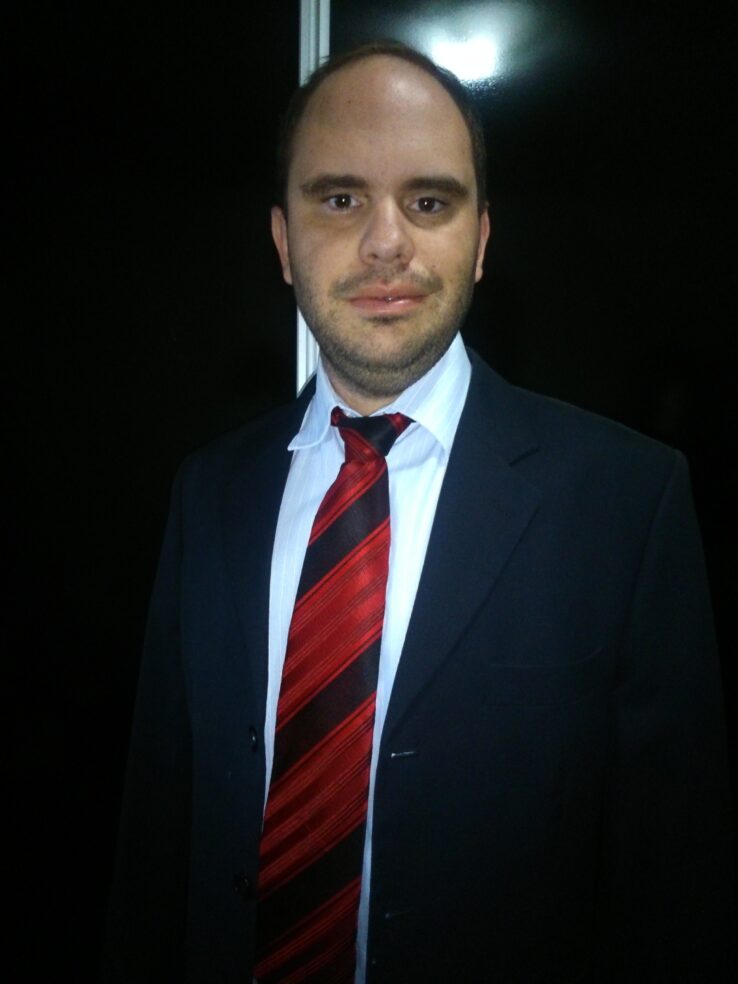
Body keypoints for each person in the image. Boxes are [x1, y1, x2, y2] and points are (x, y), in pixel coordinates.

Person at [104, 42, 735, 983]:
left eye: (429, 202)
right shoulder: (209, 493)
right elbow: (157, 842)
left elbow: (676, 887)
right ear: (283, 242)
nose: (386, 242)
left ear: (480, 242)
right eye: (340, 198)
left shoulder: (628, 503)